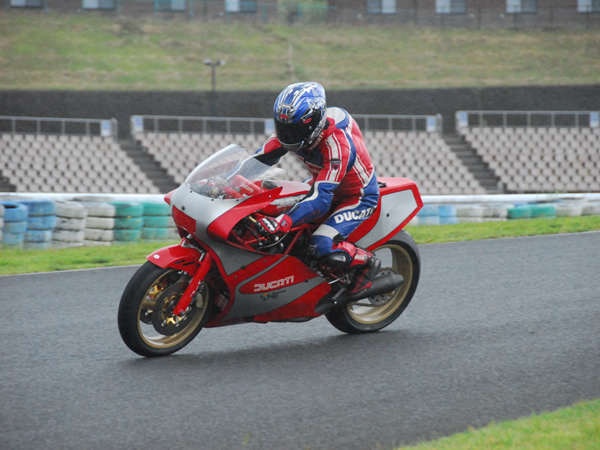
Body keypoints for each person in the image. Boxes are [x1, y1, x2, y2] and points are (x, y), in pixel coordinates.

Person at [255, 81, 381, 294]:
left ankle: (368, 262)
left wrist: (283, 222)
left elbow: (321, 199)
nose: (287, 135)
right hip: (321, 186)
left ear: (313, 123)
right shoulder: (291, 134)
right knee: (268, 208)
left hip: (356, 197)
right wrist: (224, 179)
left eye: (294, 129)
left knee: (320, 245)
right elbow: (257, 161)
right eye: (283, 127)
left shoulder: (337, 145)